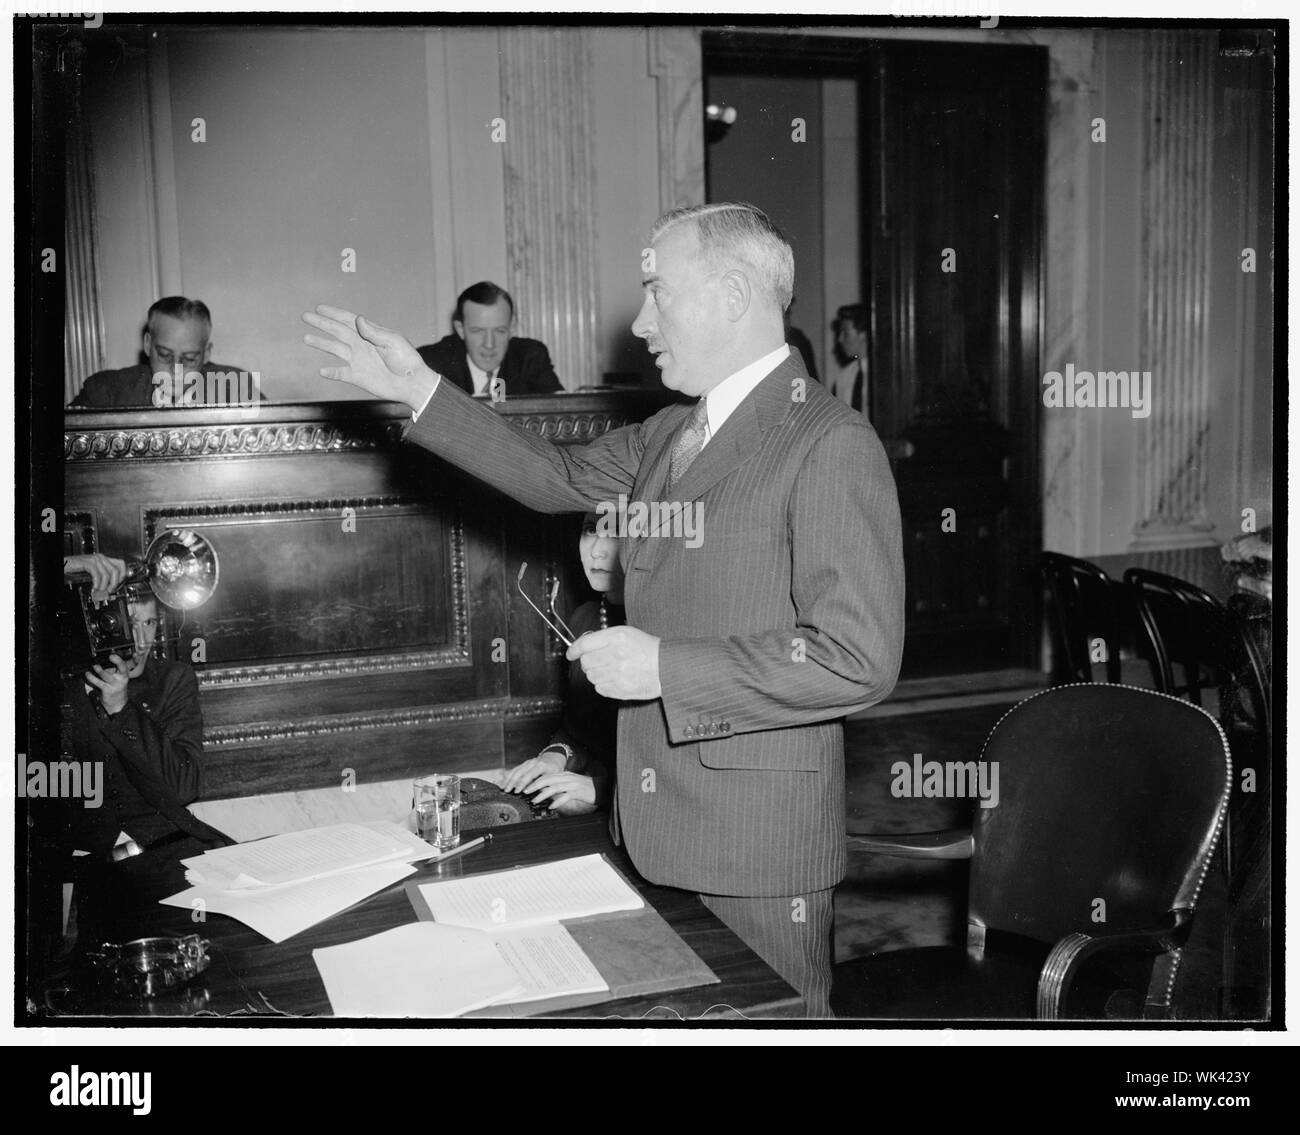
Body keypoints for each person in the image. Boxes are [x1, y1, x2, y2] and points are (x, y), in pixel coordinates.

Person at [303, 202, 904, 1017]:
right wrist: (417, 388)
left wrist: (661, 666)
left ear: (732, 296)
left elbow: (855, 657)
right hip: (648, 828)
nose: (643, 321)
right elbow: (551, 474)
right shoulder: (668, 431)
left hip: (758, 855)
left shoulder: (829, 442)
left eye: (659, 293)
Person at [52, 554, 216, 945]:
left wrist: (123, 710)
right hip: (95, 873)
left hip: (171, 851)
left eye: (149, 623)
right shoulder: (58, 684)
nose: (140, 642)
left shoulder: (173, 679)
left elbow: (184, 786)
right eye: (127, 624)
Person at [500, 514, 625, 816]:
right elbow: (582, 729)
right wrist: (554, 757)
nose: (596, 550)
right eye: (589, 531)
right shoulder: (586, 618)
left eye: (616, 533)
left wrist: (601, 788)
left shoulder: (672, 626)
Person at [69, 296, 249, 409]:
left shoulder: (236, 389)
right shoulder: (106, 392)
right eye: (164, 355)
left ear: (207, 353)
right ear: (148, 344)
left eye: (189, 359)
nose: (175, 369)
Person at [416, 281, 561, 397]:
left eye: (500, 331)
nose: (489, 344)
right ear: (460, 329)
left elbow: (562, 408)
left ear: (512, 328)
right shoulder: (432, 362)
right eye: (478, 331)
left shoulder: (530, 357)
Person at [831, 303, 869, 415]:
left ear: (864, 335)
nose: (840, 339)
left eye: (846, 334)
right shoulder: (844, 377)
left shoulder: (881, 376)